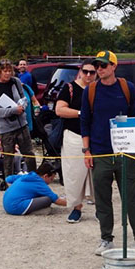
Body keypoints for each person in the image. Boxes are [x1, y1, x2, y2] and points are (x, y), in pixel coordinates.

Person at [81, 50, 135, 256]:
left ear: (114, 66)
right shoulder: (90, 90)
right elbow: (85, 122)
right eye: (97, 65)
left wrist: (127, 132)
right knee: (103, 198)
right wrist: (86, 150)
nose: (99, 69)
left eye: (104, 65)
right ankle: (106, 239)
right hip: (100, 153)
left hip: (125, 152)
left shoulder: (127, 88)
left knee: (132, 196)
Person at [56, 59, 97, 223]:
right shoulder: (69, 88)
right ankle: (76, 207)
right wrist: (81, 113)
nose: (88, 75)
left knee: (97, 174)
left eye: (92, 72)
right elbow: (59, 110)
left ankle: (100, 209)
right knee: (74, 173)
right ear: (80, 71)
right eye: (85, 71)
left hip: (95, 136)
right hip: (74, 135)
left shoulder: (97, 89)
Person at [0, 61, 38, 179]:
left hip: (21, 124)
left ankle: (34, 177)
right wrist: (13, 111)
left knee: (29, 153)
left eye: (9, 71)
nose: (7, 74)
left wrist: (22, 106)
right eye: (5, 71)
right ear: (0, 72)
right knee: (8, 156)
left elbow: (23, 98)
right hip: (6, 126)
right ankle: (8, 180)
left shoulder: (16, 82)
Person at [2, 161, 67, 215]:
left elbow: (8, 179)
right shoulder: (39, 183)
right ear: (45, 176)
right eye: (51, 179)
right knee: (48, 199)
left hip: (7, 204)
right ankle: (35, 212)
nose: (51, 181)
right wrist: (72, 203)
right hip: (16, 207)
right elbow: (56, 200)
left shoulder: (29, 175)